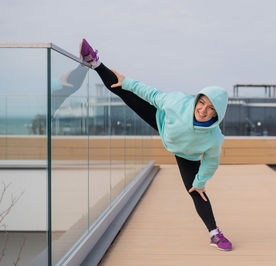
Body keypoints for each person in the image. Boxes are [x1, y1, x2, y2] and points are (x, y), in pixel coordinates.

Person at [79, 39, 232, 251]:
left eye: (210, 109)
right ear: (197, 100)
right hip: (163, 123)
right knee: (123, 90)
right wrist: (128, 82)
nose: (203, 110)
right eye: (202, 102)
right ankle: (95, 63)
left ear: (217, 114)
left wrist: (200, 181)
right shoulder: (177, 103)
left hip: (186, 155)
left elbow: (211, 161)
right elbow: (151, 94)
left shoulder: (214, 138)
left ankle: (214, 233)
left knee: (198, 192)